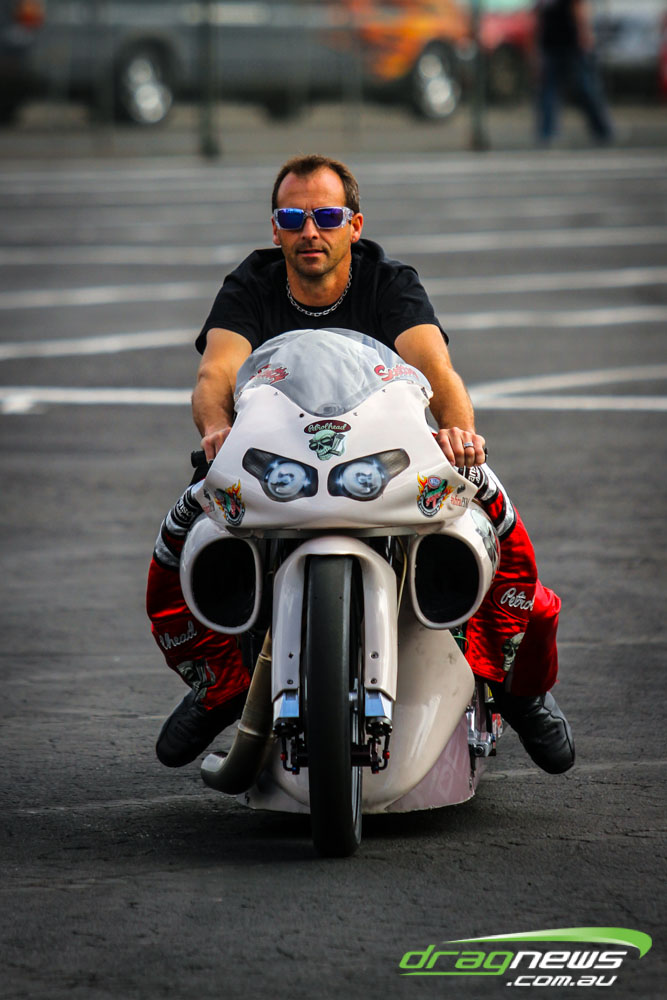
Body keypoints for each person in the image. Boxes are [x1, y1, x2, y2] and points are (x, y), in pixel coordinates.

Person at [147, 154, 574, 776]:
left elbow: (435, 368)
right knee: (188, 545)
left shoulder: (388, 282)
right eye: (293, 218)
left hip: (382, 462)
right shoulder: (250, 285)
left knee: (497, 538)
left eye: (326, 217)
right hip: (279, 466)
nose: (309, 231)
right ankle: (220, 684)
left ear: (354, 224)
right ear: (275, 228)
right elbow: (216, 372)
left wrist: (459, 430)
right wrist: (216, 428)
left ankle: (516, 687)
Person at [535, 0, 613, 145]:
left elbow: (539, 15)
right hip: (567, 42)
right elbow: (578, 7)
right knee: (583, 86)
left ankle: (547, 131)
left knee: (551, 89)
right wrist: (585, 33)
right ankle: (601, 129)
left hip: (558, 41)